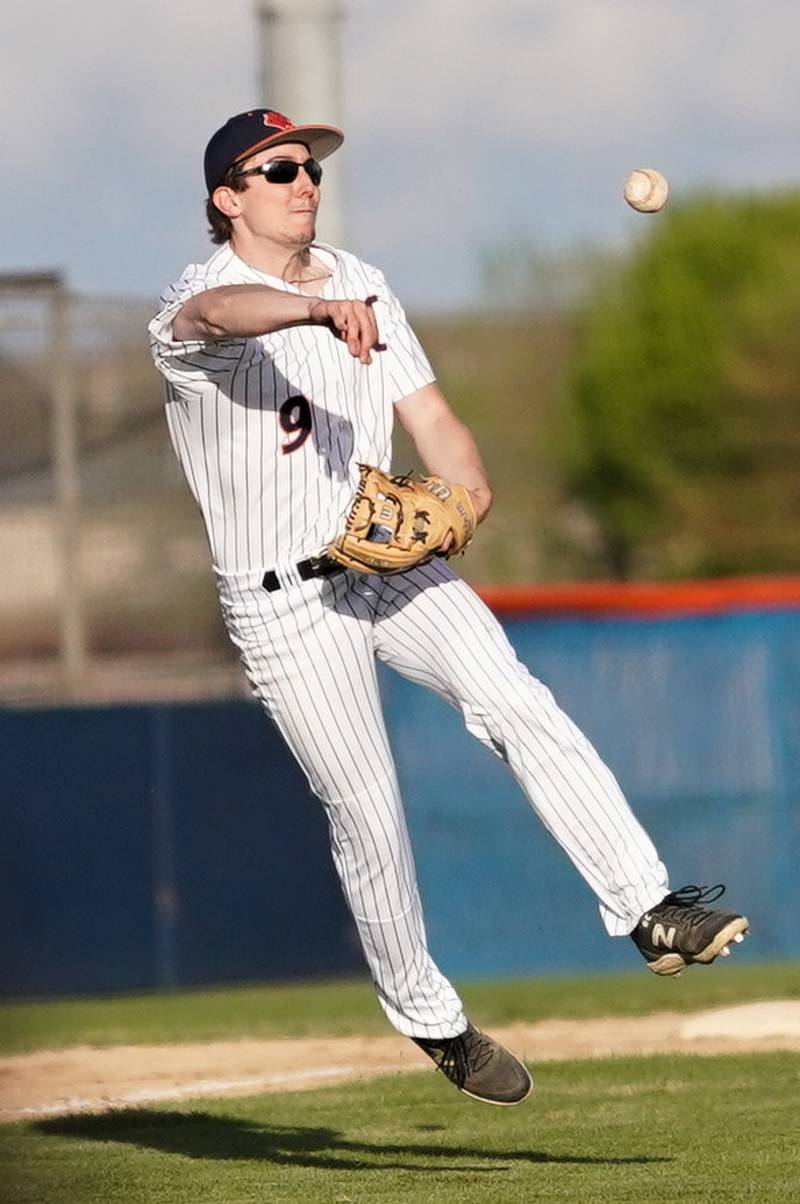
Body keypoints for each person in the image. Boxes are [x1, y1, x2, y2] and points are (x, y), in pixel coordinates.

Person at [148, 108, 749, 1107]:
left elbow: (434, 424)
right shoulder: (195, 300)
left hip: (382, 559)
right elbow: (219, 322)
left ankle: (648, 906)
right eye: (280, 168)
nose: (305, 181)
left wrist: (463, 500)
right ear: (227, 197)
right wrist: (307, 313)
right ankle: (432, 1019)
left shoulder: (365, 280)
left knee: (513, 699)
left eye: (311, 168)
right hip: (282, 603)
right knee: (369, 817)